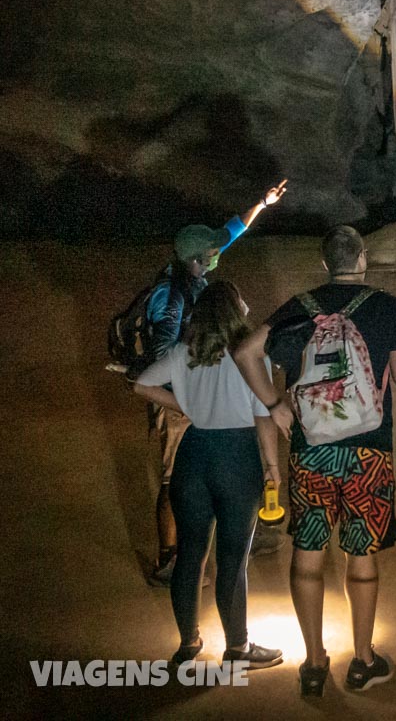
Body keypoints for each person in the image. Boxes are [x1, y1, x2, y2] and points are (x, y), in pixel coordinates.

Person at [234, 225, 396, 697]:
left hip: (311, 452)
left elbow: (246, 351)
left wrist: (274, 403)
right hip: (369, 452)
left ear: (326, 263)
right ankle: (364, 661)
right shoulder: (387, 307)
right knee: (361, 557)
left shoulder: (301, 306)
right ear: (362, 258)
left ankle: (313, 662)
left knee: (307, 555)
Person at [143, 180, 288, 586]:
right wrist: (184, 401)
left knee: (206, 469)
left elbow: (230, 231)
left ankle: (231, 531)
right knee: (174, 476)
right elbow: (161, 358)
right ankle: (170, 558)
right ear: (194, 260)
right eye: (209, 253)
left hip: (195, 391)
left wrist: (261, 203)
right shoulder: (170, 297)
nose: (216, 254)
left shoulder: (193, 273)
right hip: (178, 397)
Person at [132, 281, 283, 668]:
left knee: (190, 556)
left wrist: (185, 403)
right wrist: (272, 467)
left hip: (194, 455)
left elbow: (141, 385)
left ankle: (187, 644)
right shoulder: (250, 356)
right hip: (237, 457)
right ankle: (237, 648)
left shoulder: (185, 352)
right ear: (235, 309)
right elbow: (264, 416)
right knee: (232, 560)